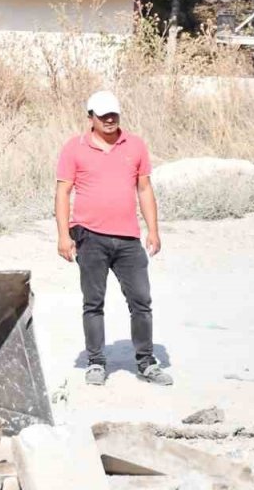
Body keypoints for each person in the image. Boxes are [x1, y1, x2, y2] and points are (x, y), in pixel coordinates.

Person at [54, 91, 172, 387]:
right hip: (89, 236)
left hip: (128, 239)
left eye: (114, 114)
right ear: (90, 117)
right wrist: (63, 236)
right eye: (103, 115)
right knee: (93, 302)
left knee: (141, 300)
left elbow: (144, 189)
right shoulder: (74, 148)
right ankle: (96, 362)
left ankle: (146, 362)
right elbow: (63, 192)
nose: (109, 120)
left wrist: (153, 230)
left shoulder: (135, 146)